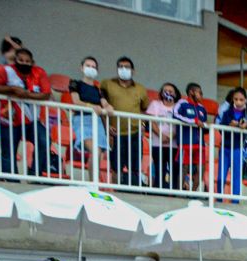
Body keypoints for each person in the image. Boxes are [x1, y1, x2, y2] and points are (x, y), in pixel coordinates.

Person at [0, 46, 51, 177]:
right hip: (9, 120)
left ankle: (34, 174)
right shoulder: (5, 70)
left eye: (27, 61)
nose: (24, 63)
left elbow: (46, 94)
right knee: (8, 152)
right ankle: (12, 180)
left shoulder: (39, 72)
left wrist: (25, 94)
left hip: (32, 120)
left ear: (32, 62)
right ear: (15, 60)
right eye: (21, 60)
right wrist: (11, 89)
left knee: (44, 141)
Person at [102, 56, 150, 187]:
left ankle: (132, 189)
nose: (124, 69)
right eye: (121, 67)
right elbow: (101, 105)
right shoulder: (107, 84)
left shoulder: (140, 88)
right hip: (115, 133)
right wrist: (106, 126)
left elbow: (145, 110)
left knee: (134, 165)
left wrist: (143, 124)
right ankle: (116, 190)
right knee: (116, 165)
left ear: (133, 71)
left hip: (134, 133)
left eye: (127, 67)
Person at [216, 87, 247, 200]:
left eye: (241, 99)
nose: (238, 102)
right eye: (236, 99)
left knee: (236, 177)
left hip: (239, 148)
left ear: (245, 100)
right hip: (225, 147)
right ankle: (218, 199)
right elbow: (220, 128)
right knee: (221, 177)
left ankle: (235, 201)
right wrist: (229, 125)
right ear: (232, 100)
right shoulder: (227, 113)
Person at [68, 57, 112, 173]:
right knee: (95, 151)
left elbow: (105, 103)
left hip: (96, 122)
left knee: (98, 154)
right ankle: (93, 184)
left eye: (93, 67)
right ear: (81, 68)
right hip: (82, 120)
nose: (91, 69)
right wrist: (91, 106)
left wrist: (108, 108)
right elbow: (76, 101)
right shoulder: (75, 83)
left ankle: (93, 182)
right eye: (88, 66)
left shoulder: (99, 89)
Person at [173, 82, 209, 191]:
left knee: (201, 169)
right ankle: (179, 192)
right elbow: (175, 115)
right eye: (200, 93)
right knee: (184, 168)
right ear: (191, 92)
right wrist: (193, 121)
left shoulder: (202, 108)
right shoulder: (182, 103)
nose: (202, 96)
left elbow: (204, 123)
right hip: (185, 143)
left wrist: (204, 125)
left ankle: (193, 192)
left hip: (200, 144)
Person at [146, 82, 180, 190]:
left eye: (171, 91)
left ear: (175, 93)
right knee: (159, 169)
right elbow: (152, 122)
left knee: (175, 170)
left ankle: (174, 191)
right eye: (166, 91)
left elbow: (180, 124)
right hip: (157, 143)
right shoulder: (155, 104)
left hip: (174, 145)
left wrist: (170, 136)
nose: (168, 93)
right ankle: (158, 191)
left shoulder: (179, 107)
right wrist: (161, 135)